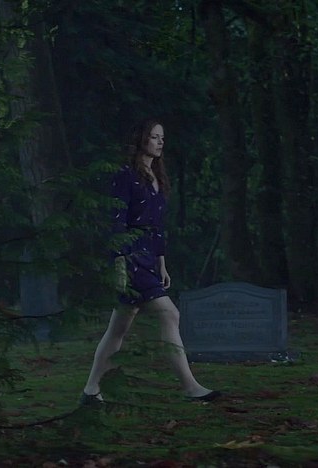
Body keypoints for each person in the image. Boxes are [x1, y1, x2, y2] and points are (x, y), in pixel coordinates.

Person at [80, 118, 221, 405]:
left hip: (148, 257)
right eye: (155, 137)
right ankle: (190, 387)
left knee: (118, 328)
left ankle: (91, 391)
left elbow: (157, 226)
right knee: (169, 314)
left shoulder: (157, 177)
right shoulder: (125, 175)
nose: (160, 142)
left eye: (162, 138)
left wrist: (161, 262)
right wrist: (119, 261)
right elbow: (117, 221)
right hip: (130, 256)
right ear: (141, 139)